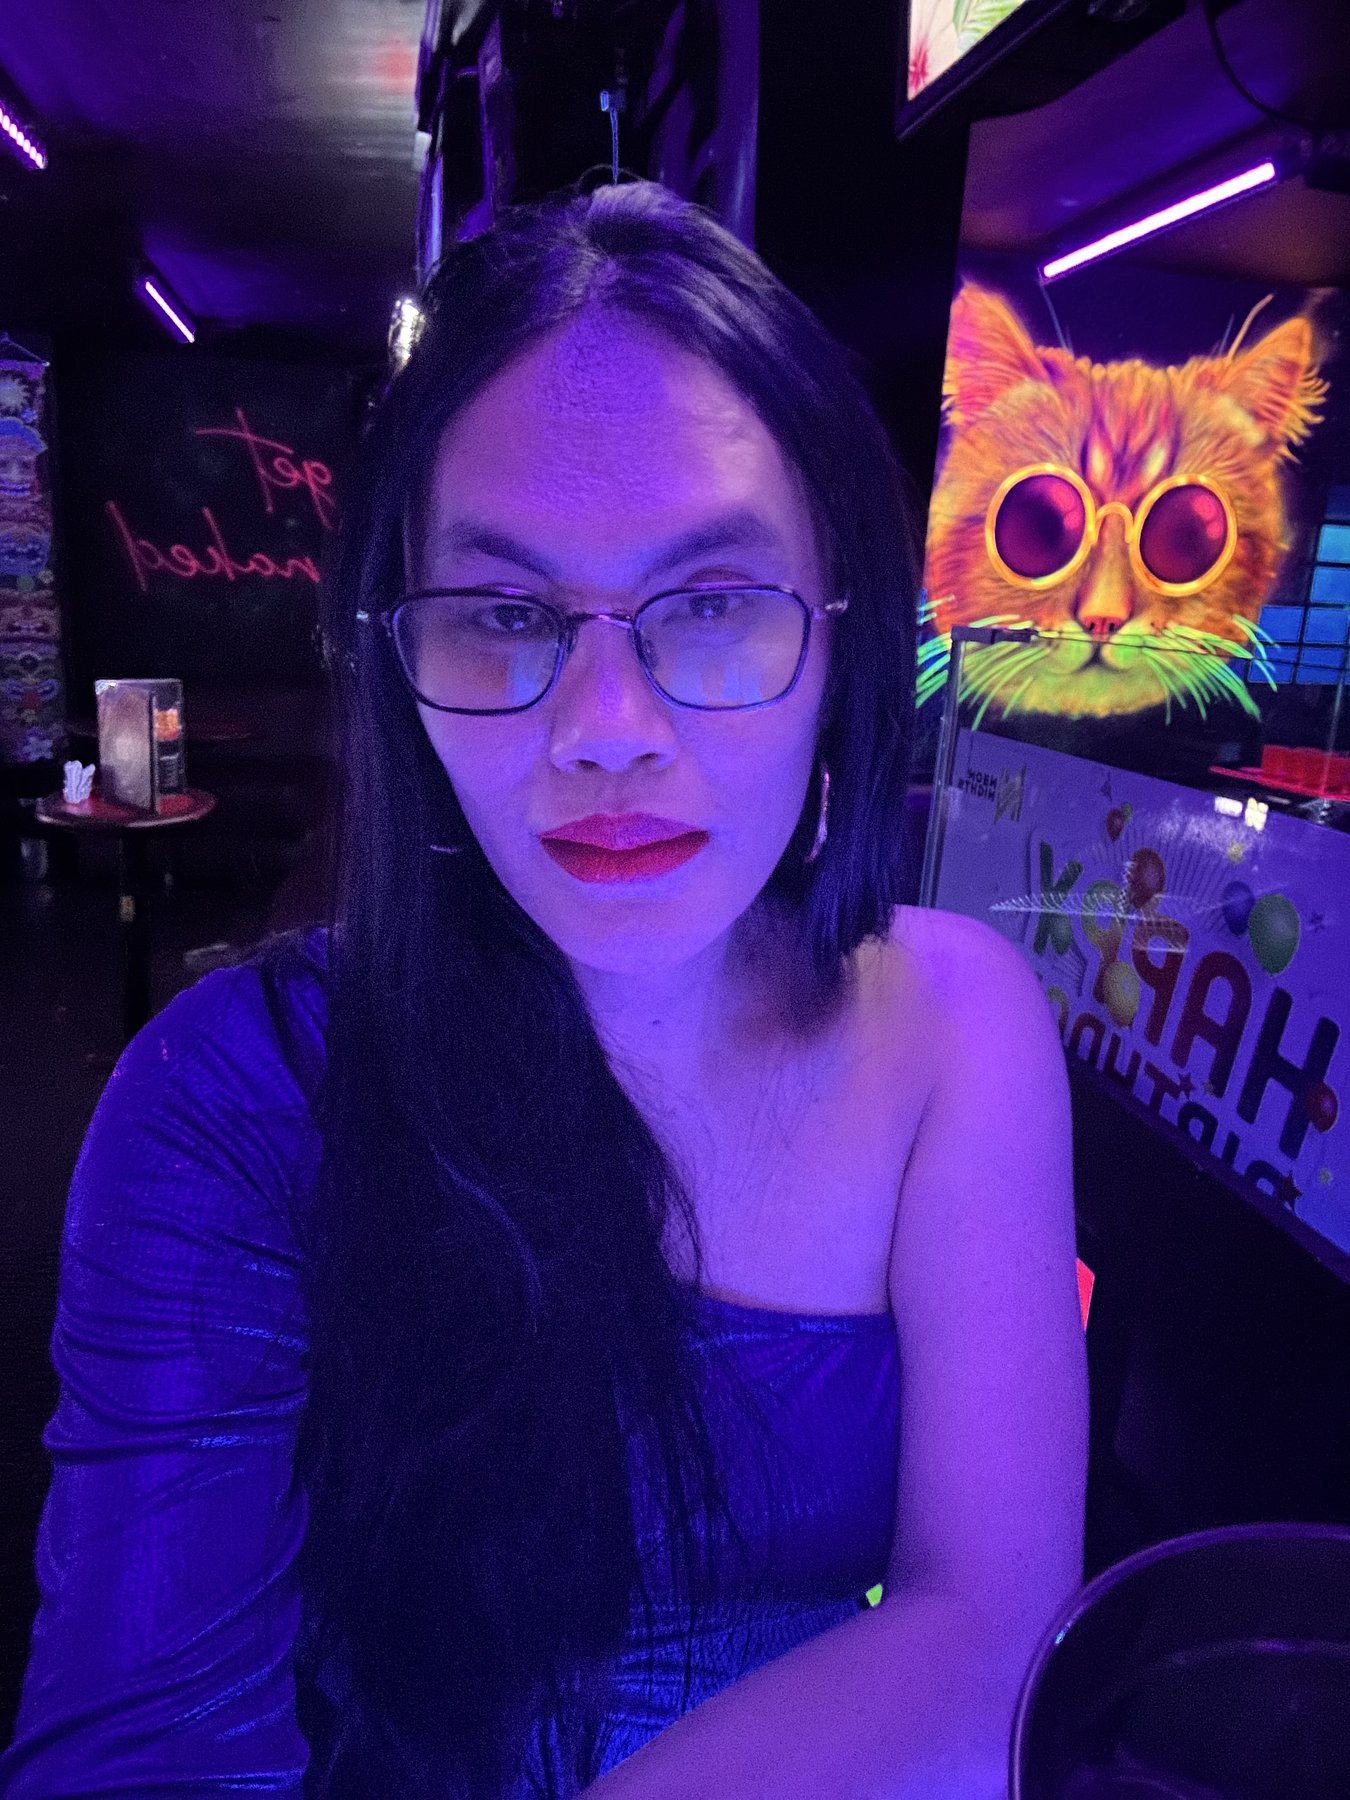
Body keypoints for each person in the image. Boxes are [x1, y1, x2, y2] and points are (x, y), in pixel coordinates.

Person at [0, 178, 1087, 1800]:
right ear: (397, 658)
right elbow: (143, 1752)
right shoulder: (237, 1100)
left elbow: (987, 1622)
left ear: (842, 637)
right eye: (505, 616)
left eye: (708, 606)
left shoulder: (954, 1028)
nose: (603, 730)